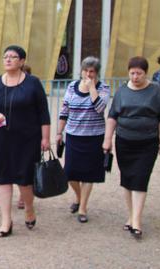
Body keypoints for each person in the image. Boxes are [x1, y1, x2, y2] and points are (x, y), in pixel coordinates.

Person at [0, 45, 51, 237]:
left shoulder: (33, 83)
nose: (8, 59)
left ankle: (29, 208)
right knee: (2, 178)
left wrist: (46, 138)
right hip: (2, 139)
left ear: (22, 61)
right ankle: (6, 221)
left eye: (13, 57)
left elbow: (44, 113)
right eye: (6, 57)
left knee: (25, 180)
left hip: (28, 139)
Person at [103, 56, 160, 239]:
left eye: (139, 73)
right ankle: (130, 215)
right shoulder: (122, 91)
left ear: (146, 73)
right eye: (132, 73)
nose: (135, 77)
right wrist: (107, 140)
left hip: (147, 142)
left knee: (140, 178)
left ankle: (137, 221)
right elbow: (112, 116)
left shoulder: (156, 91)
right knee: (127, 178)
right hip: (124, 141)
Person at [56, 56, 110, 223]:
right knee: (70, 172)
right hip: (73, 135)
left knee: (88, 174)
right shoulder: (72, 87)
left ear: (97, 73)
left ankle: (83, 207)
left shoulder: (104, 87)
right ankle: (79, 197)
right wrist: (59, 132)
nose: (88, 74)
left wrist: (92, 88)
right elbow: (64, 110)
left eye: (92, 71)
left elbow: (101, 108)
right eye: (85, 70)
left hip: (94, 136)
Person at [0, 64, 33, 210]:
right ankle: (4, 210)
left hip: (24, 137)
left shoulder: (32, 86)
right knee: (2, 172)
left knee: (23, 171)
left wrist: (43, 138)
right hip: (3, 136)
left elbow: (40, 114)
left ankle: (26, 202)